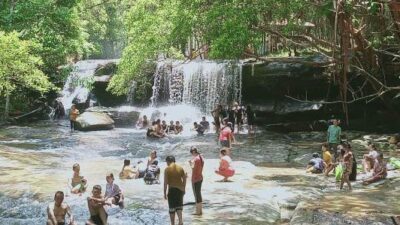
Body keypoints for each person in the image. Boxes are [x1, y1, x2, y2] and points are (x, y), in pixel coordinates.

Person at [164, 156, 187, 225]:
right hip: (180, 190)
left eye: (166, 162)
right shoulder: (180, 168)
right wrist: (183, 188)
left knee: (172, 208)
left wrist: (164, 193)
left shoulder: (167, 169)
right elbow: (184, 178)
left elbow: (165, 182)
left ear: (168, 161)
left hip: (172, 190)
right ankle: (180, 221)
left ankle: (172, 223)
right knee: (179, 207)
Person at [188, 147, 204, 215]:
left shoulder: (196, 159)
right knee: (199, 194)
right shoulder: (201, 157)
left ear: (194, 152)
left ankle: (197, 212)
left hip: (195, 179)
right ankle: (200, 211)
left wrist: (190, 163)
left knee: (196, 195)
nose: (192, 155)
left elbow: (193, 169)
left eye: (192, 153)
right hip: (200, 177)